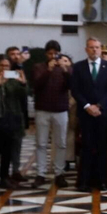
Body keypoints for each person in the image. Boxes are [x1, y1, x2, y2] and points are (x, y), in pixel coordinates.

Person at [70, 36, 107, 191]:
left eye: (97, 47)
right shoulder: (78, 67)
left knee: (102, 147)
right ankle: (84, 181)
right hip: (85, 114)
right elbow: (75, 90)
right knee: (87, 147)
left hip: (103, 113)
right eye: (91, 47)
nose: (95, 50)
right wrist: (87, 106)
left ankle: (102, 181)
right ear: (86, 49)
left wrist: (99, 106)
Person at [0, 53, 29, 195]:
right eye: (1, 65)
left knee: (7, 152)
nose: (4, 68)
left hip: (11, 121)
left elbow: (23, 95)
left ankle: (4, 177)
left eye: (7, 66)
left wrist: (23, 83)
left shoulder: (13, 78)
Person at [31, 39, 73, 187]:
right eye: (50, 53)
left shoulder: (66, 68)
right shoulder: (39, 67)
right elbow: (36, 85)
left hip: (61, 110)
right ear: (46, 54)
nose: (53, 56)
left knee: (61, 143)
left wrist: (64, 70)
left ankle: (59, 173)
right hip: (42, 109)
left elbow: (71, 85)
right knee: (41, 143)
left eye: (56, 53)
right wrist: (48, 70)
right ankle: (40, 174)